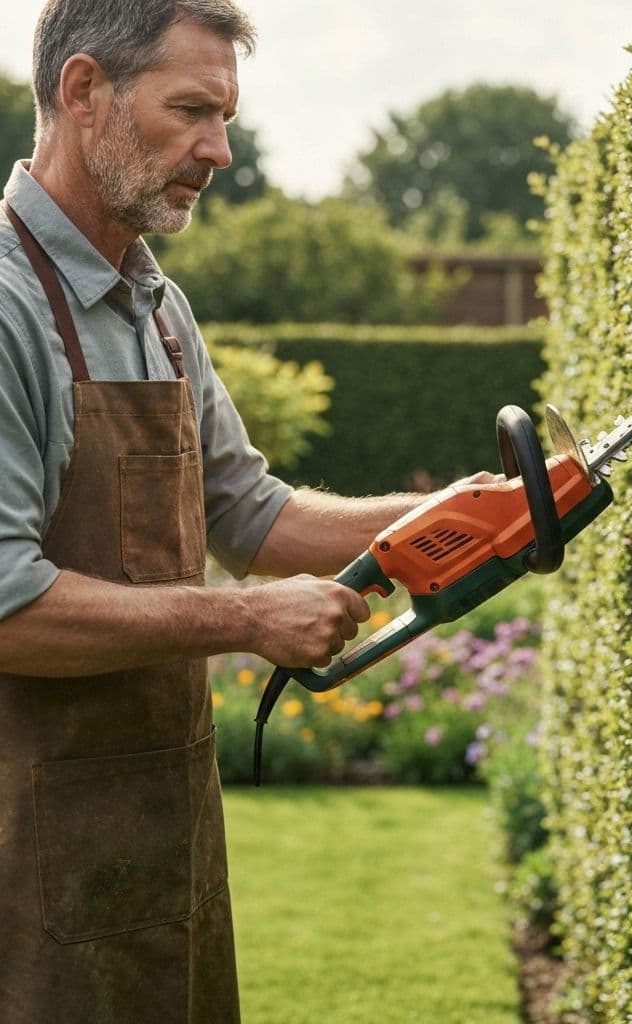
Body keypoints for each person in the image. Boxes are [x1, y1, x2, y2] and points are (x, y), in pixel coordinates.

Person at [0, 2, 489, 1020]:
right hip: (19, 855)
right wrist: (245, 619)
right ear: (84, 92)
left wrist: (458, 511)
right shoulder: (6, 308)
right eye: (191, 111)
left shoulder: (157, 307)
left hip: (158, 835)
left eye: (223, 116)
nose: (218, 150)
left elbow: (252, 513)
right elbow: (8, 606)